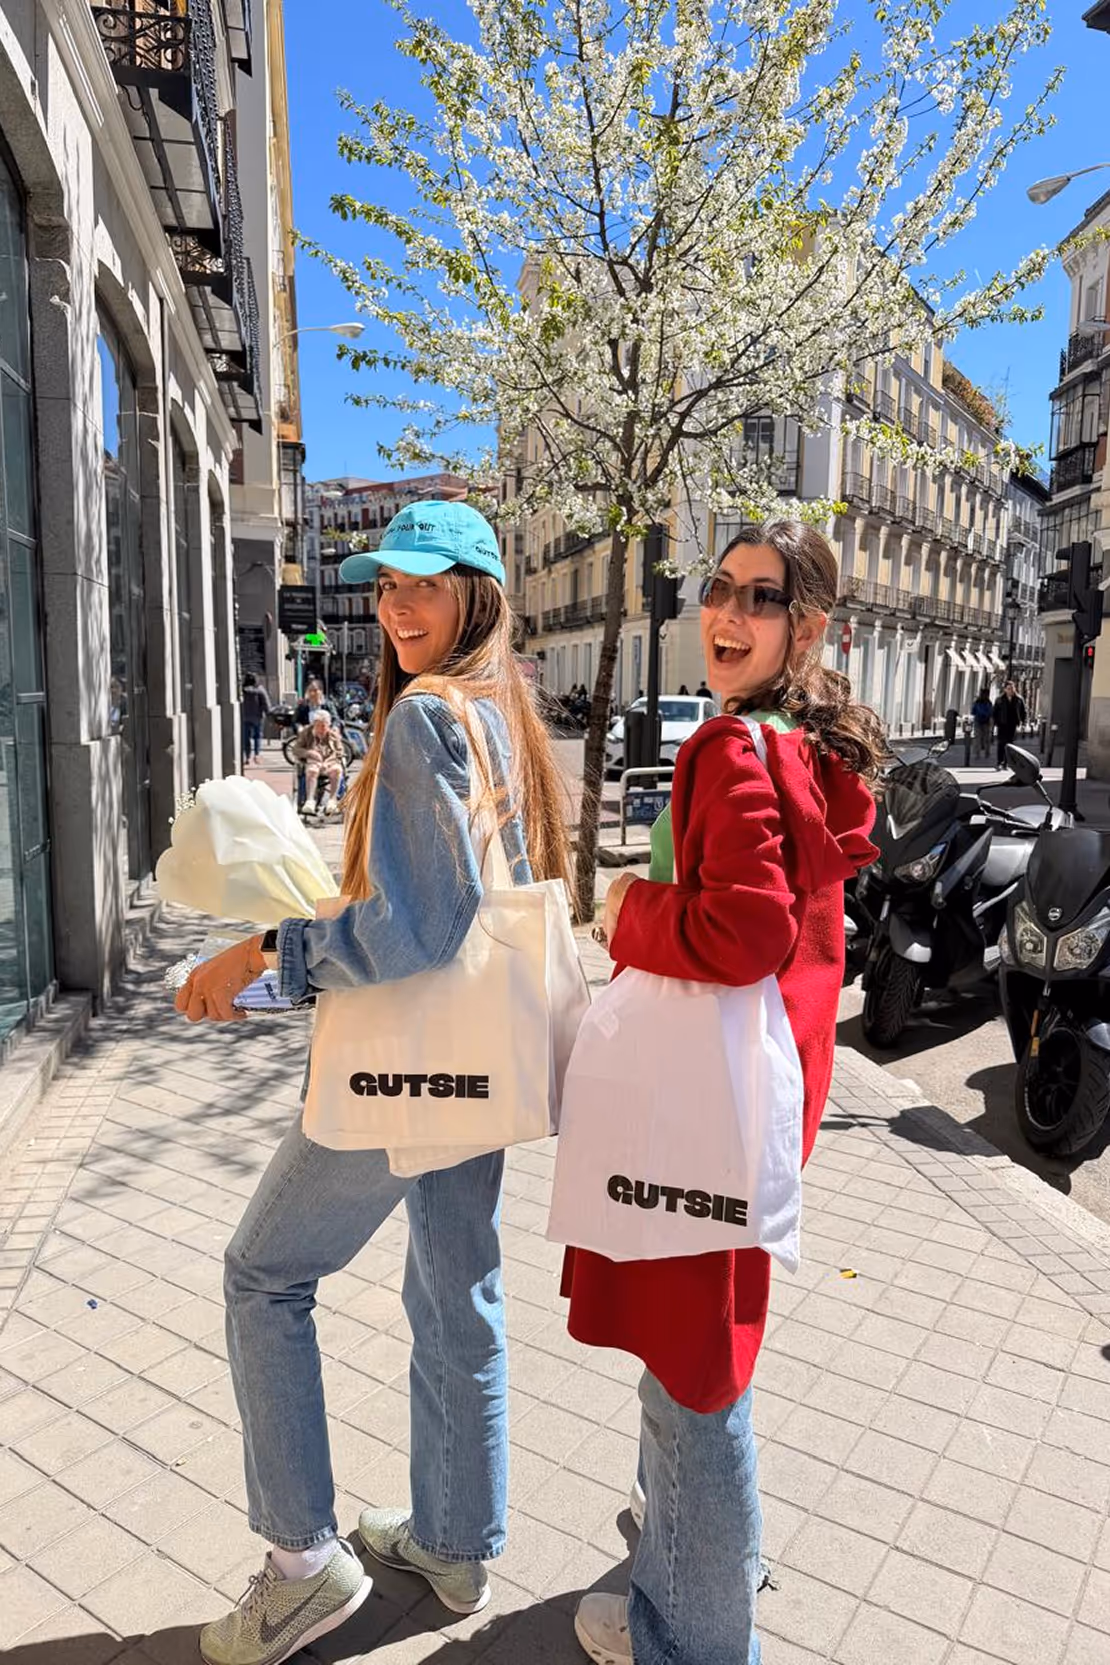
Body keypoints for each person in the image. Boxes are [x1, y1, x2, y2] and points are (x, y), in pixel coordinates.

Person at [175, 500, 571, 1665]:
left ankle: (301, 1569)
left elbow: (414, 930)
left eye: (425, 584)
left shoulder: (425, 718)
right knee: (457, 1292)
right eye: (387, 585)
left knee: (263, 1274)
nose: (397, 605)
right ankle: (454, 1543)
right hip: (478, 1060)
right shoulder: (502, 713)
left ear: (476, 594)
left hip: (406, 1065)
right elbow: (476, 908)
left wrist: (268, 954)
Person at [561, 521, 880, 1665]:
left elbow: (743, 932)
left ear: (807, 628)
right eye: (719, 589)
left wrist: (624, 911)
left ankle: (688, 1636)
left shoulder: (731, 749)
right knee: (714, 1358)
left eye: (760, 598)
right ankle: (711, 1559)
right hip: (764, 1095)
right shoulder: (806, 747)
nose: (728, 615)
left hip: (704, 1104)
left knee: (693, 1380)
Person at [289, 708, 346, 816]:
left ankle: (332, 801)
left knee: (337, 770)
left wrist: (328, 762)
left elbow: (339, 752)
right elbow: (296, 749)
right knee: (312, 771)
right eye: (318, 725)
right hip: (313, 762)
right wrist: (309, 753)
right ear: (314, 724)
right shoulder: (306, 733)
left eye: (324, 726)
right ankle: (310, 801)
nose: (321, 729)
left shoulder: (333, 735)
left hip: (330, 762)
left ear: (328, 725)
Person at [993, 679, 1027, 769]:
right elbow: (995, 712)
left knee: (1010, 744)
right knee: (1001, 743)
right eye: (1008, 688)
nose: (1010, 690)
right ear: (1005, 689)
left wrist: (1023, 723)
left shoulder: (1019, 699)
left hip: (1012, 724)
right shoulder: (1000, 699)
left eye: (1012, 688)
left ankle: (1006, 762)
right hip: (1002, 724)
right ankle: (999, 762)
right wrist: (995, 723)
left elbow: (1023, 712)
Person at [240, 674, 270, 767]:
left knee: (246, 737)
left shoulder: (242, 690)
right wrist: (268, 713)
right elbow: (266, 703)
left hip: (245, 716)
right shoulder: (260, 690)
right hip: (258, 717)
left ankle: (247, 757)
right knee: (257, 736)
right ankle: (257, 754)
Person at [971, 687, 994, 761]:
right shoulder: (988, 703)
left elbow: (973, 711)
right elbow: (991, 712)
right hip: (985, 721)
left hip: (979, 721)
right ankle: (986, 753)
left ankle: (978, 754)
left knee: (978, 737)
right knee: (986, 738)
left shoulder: (977, 702)